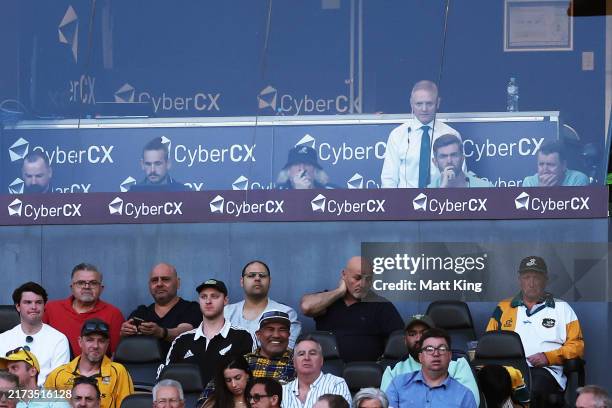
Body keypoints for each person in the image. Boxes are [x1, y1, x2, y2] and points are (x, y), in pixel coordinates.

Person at [486, 256, 585, 407]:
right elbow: (489, 341)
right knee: (487, 383)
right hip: (508, 371)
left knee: (530, 389)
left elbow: (577, 346)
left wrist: (548, 357)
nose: (531, 283)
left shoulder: (562, 308)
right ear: (520, 280)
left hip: (544, 371)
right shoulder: (504, 307)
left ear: (545, 280)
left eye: (536, 278)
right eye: (527, 277)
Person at [300, 256, 404, 362]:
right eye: (357, 278)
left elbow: (401, 343)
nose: (363, 284)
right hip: (329, 373)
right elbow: (306, 307)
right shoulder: (328, 301)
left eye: (368, 279)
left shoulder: (381, 306)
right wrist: (339, 292)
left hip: (368, 374)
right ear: (344, 275)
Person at [160, 279, 253, 388]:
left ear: (225, 301)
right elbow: (165, 382)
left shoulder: (242, 337)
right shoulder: (182, 340)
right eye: (203, 297)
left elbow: (250, 379)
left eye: (214, 296)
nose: (208, 301)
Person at [380, 315, 479, 405]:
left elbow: (470, 401)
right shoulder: (393, 370)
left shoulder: (458, 363)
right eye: (412, 334)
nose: (418, 338)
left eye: (424, 333)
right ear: (405, 340)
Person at [381, 80, 462, 188]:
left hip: (442, 201)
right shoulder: (397, 135)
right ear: (411, 104)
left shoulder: (452, 134)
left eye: (429, 103)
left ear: (438, 103)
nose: (424, 109)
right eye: (419, 104)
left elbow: (460, 179)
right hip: (404, 202)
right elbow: (389, 180)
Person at [44, 319, 134, 408]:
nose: (95, 346)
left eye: (101, 341)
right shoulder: (59, 374)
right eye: (90, 340)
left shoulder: (118, 372)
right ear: (80, 342)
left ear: (107, 344)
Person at [120, 263, 202, 356]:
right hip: (145, 369)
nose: (159, 284)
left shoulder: (192, 308)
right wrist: (124, 334)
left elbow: (185, 332)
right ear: (149, 285)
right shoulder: (141, 312)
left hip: (178, 368)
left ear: (178, 283)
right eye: (154, 280)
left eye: (165, 279)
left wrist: (162, 332)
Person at [43, 263, 124, 356]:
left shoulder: (114, 314)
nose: (86, 287)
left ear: (101, 289)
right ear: (71, 287)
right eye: (80, 283)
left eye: (93, 283)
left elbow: (115, 356)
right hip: (56, 369)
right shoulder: (51, 309)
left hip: (97, 369)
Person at [0, 282, 69, 386]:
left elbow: (58, 381)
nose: (34, 307)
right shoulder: (3, 339)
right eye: (28, 302)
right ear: (18, 307)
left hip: (44, 399)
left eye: (38, 302)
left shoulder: (59, 339)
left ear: (44, 306)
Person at [225, 261, 301, 348]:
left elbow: (288, 351)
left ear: (270, 281)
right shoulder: (226, 312)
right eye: (251, 275)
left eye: (262, 275)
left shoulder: (286, 313)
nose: (257, 278)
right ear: (242, 282)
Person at [281, 336, 351, 408]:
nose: (306, 358)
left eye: (312, 353)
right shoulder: (283, 391)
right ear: (294, 362)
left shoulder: (336, 384)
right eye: (301, 354)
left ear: (321, 360)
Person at [0, 348, 69, 408]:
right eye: (7, 370)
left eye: (14, 368)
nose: (9, 372)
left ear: (32, 371)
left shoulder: (56, 400)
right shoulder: (4, 400)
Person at [427, 134, 492, 188]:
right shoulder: (427, 192)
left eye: (454, 155)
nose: (449, 161)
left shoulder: (486, 188)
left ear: (462, 158)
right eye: (443, 156)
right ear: (435, 162)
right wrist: (442, 189)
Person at [522, 141, 588, 187]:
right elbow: (522, 206)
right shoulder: (529, 182)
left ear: (563, 165)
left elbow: (576, 206)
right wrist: (540, 191)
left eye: (550, 165)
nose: (545, 169)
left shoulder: (578, 179)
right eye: (541, 164)